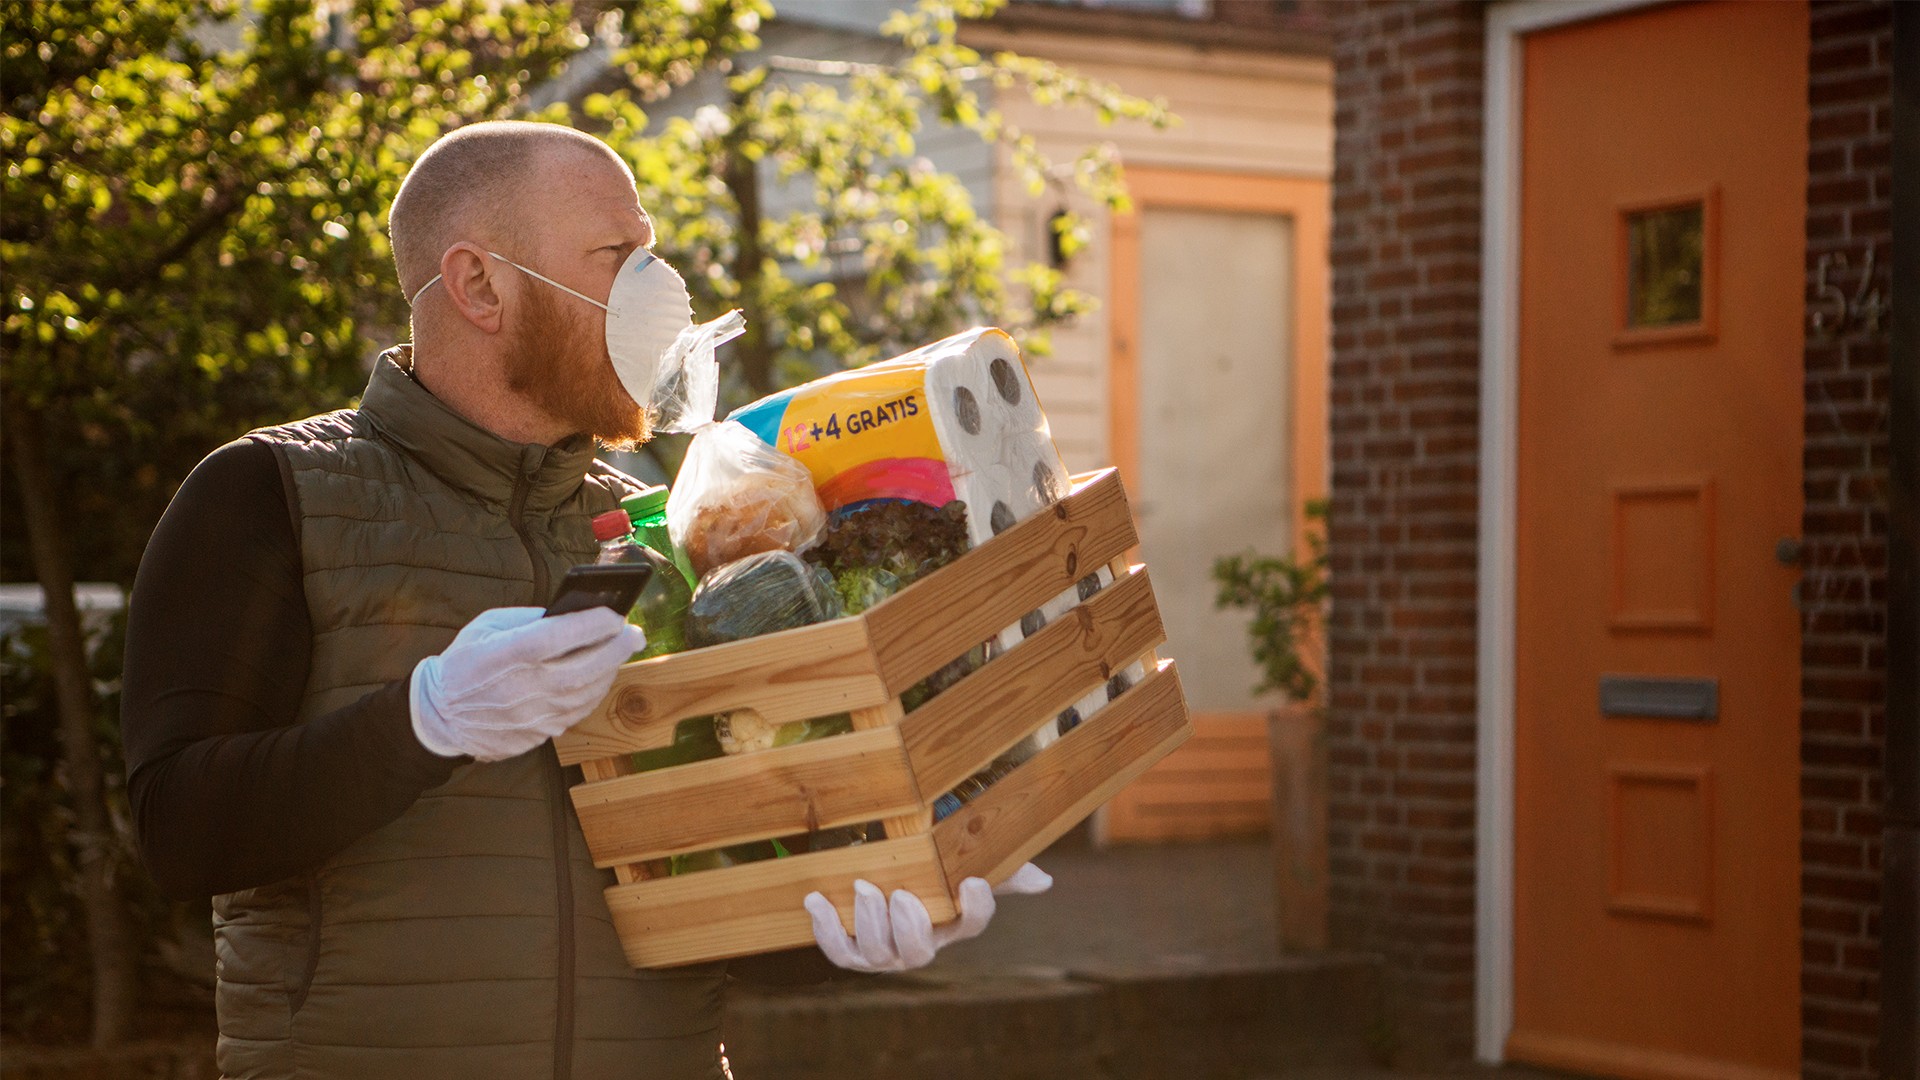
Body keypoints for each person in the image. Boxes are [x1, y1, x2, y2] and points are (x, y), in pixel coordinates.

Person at [121, 120, 1044, 1080]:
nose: (658, 291)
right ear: (480, 285)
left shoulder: (666, 531)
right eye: (618, 257)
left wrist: (854, 911)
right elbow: (178, 833)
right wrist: (427, 721)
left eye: (651, 252)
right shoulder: (268, 494)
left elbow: (699, 874)